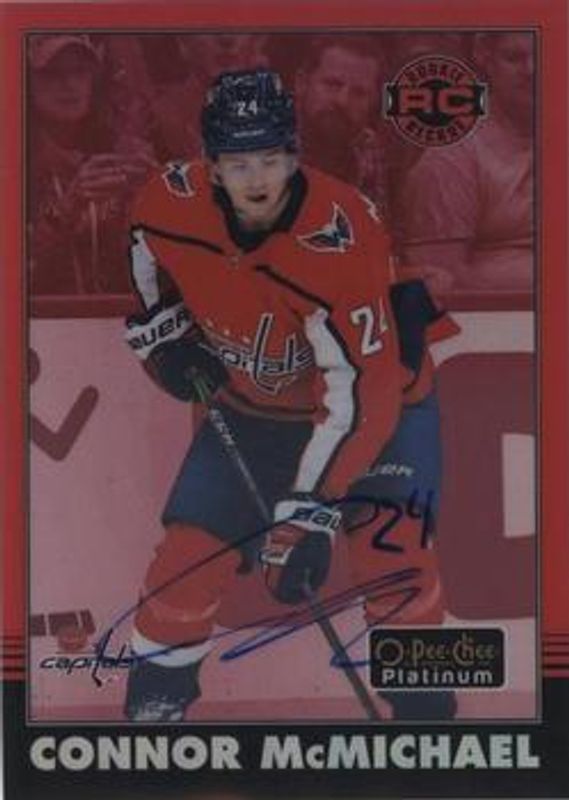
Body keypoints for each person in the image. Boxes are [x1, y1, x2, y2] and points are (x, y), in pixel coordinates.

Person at [122, 69, 451, 722]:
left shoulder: (343, 235)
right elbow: (145, 261)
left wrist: (307, 515)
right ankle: (155, 709)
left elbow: (361, 398)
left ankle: (424, 718)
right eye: (238, 162)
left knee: (394, 556)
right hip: (256, 411)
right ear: (210, 165)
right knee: (188, 555)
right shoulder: (166, 201)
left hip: (383, 409)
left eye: (270, 159)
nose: (257, 180)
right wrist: (166, 341)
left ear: (294, 157)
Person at [394, 32, 534, 294]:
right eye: (514, 58)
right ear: (485, 57)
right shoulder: (449, 159)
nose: (532, 70)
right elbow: (440, 280)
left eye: (544, 56)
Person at [28, 34, 155, 295]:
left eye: (79, 72)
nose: (69, 84)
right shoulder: (13, 166)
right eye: (52, 74)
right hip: (43, 318)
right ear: (26, 83)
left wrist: (154, 200)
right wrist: (65, 210)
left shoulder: (119, 154)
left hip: (118, 314)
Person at [295, 36, 388, 215]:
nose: (342, 101)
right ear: (302, 83)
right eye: (332, 84)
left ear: (373, 103)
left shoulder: (367, 149)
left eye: (359, 93)